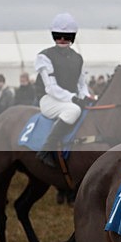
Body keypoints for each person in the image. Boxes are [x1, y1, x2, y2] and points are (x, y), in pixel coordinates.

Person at [34, 12, 93, 167]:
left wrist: (86, 97)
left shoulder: (78, 58)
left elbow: (82, 84)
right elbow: (51, 88)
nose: (61, 39)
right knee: (74, 111)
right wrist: (73, 98)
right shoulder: (44, 57)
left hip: (69, 99)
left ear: (72, 37)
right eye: (58, 36)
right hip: (49, 100)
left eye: (66, 37)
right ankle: (46, 149)